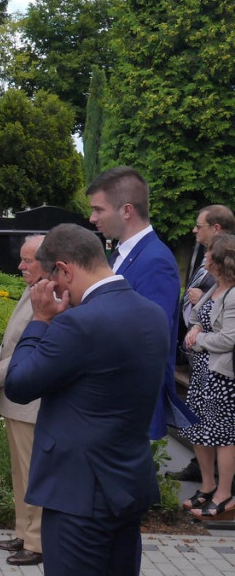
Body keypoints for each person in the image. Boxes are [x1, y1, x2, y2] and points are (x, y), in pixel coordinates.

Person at [5, 223, 168, 576]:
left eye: (51, 281)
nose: (54, 292)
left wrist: (40, 321)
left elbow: (20, 384)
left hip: (77, 491)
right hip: (126, 480)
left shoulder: (78, 324)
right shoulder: (150, 313)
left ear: (64, 270)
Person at [87, 166, 195, 440]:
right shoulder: (122, 254)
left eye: (99, 210)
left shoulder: (156, 260)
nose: (92, 218)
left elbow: (148, 339)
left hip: (128, 405)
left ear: (126, 210)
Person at [0, 235, 45, 566]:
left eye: (28, 260)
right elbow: (11, 342)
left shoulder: (49, 294)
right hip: (15, 395)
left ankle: (37, 542)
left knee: (32, 472)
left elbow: (34, 350)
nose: (20, 266)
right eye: (21, 259)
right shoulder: (32, 288)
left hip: (30, 400)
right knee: (19, 473)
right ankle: (23, 532)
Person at [170, 204, 235, 482]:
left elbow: (227, 333)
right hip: (202, 364)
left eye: (200, 226)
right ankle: (205, 478)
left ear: (216, 228)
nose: (195, 230)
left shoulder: (225, 270)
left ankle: (221, 488)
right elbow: (201, 312)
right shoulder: (207, 259)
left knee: (219, 430)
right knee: (201, 425)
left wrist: (198, 340)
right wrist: (195, 323)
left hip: (219, 368)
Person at [182, 233, 235, 519]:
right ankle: (207, 486)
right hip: (202, 372)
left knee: (223, 435)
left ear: (221, 260)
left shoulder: (234, 293)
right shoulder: (214, 286)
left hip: (221, 377)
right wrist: (193, 330)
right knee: (198, 429)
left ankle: (224, 494)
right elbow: (196, 318)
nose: (204, 258)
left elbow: (229, 339)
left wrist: (199, 340)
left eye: (208, 254)